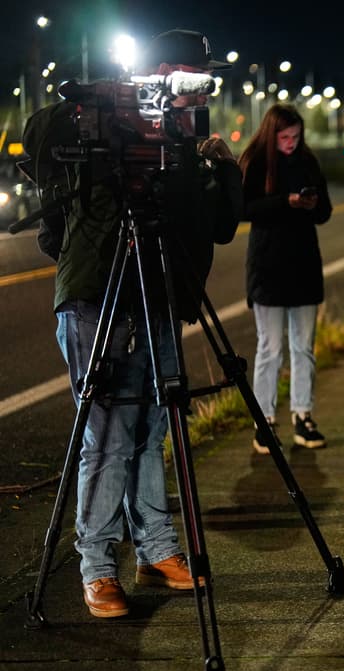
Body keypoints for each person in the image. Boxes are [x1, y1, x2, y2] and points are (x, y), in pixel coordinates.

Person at [28, 28, 244, 617]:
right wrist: (109, 100)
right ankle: (96, 568)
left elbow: (210, 225)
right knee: (110, 436)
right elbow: (37, 137)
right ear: (160, 74)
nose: (198, 93)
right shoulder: (96, 119)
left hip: (157, 295)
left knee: (153, 427)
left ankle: (156, 550)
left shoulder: (180, 142)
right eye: (188, 79)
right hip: (98, 295)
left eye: (203, 84)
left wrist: (212, 165)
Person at [238, 103, 332, 453]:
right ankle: (264, 420)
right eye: (285, 137)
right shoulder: (257, 162)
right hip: (268, 267)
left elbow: (325, 212)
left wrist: (311, 204)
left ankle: (303, 416)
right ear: (271, 134)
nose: (291, 142)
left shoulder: (307, 162)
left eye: (295, 136)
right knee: (270, 348)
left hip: (304, 265)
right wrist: (284, 202)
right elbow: (243, 210)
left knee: (303, 348)